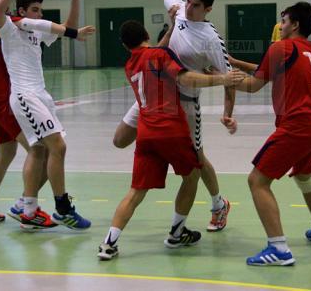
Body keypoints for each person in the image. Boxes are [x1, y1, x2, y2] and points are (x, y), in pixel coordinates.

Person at [98, 19, 246, 260]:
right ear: (146, 33)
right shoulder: (161, 55)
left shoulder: (130, 65)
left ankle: (108, 244)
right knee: (192, 176)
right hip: (171, 131)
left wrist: (168, 34)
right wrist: (222, 79)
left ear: (126, 46)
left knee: (136, 191)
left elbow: (154, 54)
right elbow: (185, 78)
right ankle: (177, 234)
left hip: (146, 134)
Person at [112, 0, 236, 233]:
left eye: (195, 5)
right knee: (120, 139)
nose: (188, 7)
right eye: (188, 1)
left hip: (185, 103)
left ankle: (218, 205)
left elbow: (229, 79)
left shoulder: (211, 39)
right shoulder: (179, 11)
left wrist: (227, 114)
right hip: (156, 95)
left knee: (197, 159)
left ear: (208, 9)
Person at [0, 0, 85, 227]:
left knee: (6, 154)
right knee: (41, 149)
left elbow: (56, 28)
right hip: (6, 98)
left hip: (1, 97)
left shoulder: (23, 25)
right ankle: (27, 207)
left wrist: (74, 2)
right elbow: (13, 17)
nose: (5, 2)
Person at [236, 2, 311, 266]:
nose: (280, 26)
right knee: (304, 177)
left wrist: (220, 78)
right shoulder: (309, 51)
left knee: (257, 180)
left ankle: (279, 249)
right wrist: (235, 63)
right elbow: (270, 72)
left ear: (294, 24)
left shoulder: (280, 48)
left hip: (298, 125)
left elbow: (252, 86)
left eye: (283, 21)